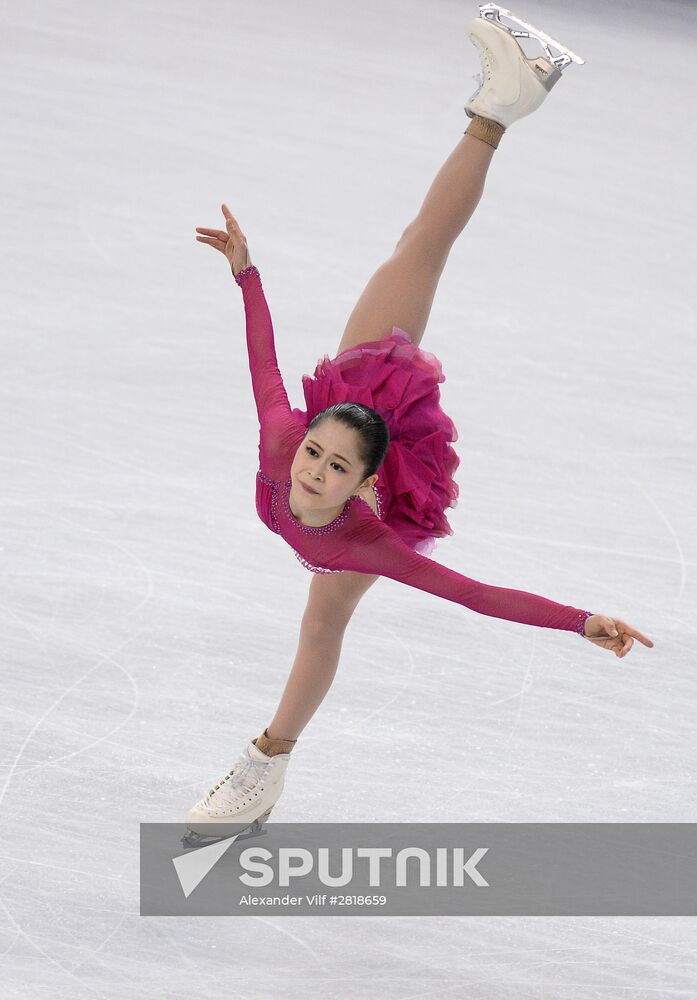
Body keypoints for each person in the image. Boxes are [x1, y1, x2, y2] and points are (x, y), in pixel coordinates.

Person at [184, 7, 653, 844]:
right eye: (315, 455)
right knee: (414, 247)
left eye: (330, 469)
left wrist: (581, 620)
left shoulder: (370, 537)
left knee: (323, 619)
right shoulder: (286, 440)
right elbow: (261, 362)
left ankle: (263, 764)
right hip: (360, 399)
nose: (310, 472)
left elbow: (474, 597)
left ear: (361, 485)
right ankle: (503, 101)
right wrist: (247, 274)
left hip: (382, 446)